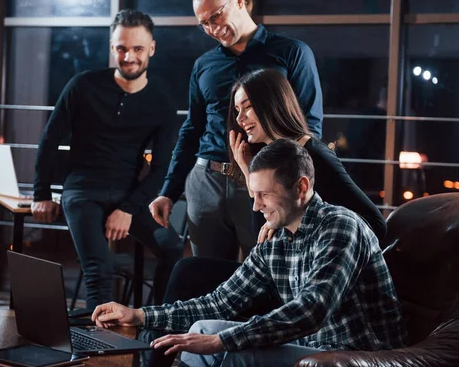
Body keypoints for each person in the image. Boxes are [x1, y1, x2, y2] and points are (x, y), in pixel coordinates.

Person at [93, 139, 405, 367]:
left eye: (264, 195)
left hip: (357, 355)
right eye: (253, 195)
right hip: (311, 348)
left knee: (228, 348)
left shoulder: (340, 227)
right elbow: (220, 302)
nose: (255, 206)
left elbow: (311, 310)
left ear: (301, 187)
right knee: (202, 329)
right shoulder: (276, 240)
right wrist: (139, 314)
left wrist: (223, 340)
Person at [148, 0, 323, 261]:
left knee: (268, 272)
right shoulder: (204, 65)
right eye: (204, 23)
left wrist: (289, 189)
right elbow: (192, 129)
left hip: (264, 182)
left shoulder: (292, 53)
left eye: (215, 16)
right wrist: (169, 191)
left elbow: (310, 127)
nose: (212, 29)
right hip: (206, 180)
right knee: (207, 278)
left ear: (239, 0)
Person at [31, 9, 180, 309]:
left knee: (173, 249)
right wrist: (42, 194)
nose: (128, 57)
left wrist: (127, 208)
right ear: (112, 48)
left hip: (130, 194)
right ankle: (98, 351)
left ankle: (154, 327)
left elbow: (162, 166)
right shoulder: (83, 85)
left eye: (137, 48)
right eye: (121, 48)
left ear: (151, 48)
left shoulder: (162, 100)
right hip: (82, 191)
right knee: (101, 270)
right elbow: (49, 139)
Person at [229, 68, 386, 240]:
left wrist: (294, 221)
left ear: (273, 104)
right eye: (237, 110)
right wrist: (247, 171)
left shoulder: (314, 154)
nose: (239, 119)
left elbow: (375, 224)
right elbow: (263, 241)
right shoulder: (268, 159)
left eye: (248, 107)